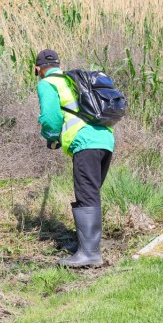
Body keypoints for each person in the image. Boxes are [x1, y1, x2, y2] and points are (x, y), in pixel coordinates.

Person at [35, 49, 114, 268]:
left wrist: (51, 136)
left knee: (86, 195)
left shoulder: (47, 83)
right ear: (59, 65)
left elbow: (50, 117)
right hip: (105, 139)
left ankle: (89, 254)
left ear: (37, 69)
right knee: (90, 193)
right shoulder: (71, 79)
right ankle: (86, 245)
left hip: (85, 143)